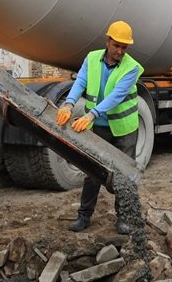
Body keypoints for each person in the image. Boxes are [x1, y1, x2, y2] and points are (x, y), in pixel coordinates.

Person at [58, 21, 143, 233]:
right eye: (116, 46)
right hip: (101, 126)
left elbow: (117, 96)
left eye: (124, 47)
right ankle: (84, 217)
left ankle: (124, 219)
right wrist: (69, 103)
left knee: (124, 175)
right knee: (93, 171)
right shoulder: (92, 58)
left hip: (124, 128)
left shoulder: (131, 67)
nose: (120, 51)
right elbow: (81, 82)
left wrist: (91, 114)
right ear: (107, 42)